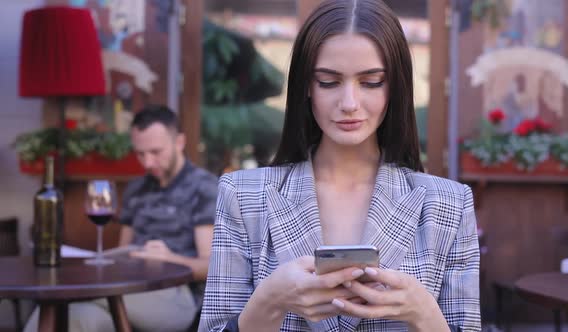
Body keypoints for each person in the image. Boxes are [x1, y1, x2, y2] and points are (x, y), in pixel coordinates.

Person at [198, 0, 480, 331]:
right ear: (306, 85)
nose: (349, 104)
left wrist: (424, 313)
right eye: (329, 81)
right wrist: (270, 299)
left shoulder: (449, 203)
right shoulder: (243, 195)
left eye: (371, 81)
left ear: (395, 87)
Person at [24, 105, 218, 332]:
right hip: (130, 287)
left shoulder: (204, 187)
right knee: (75, 317)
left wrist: (171, 259)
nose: (147, 163)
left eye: (156, 152)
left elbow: (211, 267)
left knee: (60, 297)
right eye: (140, 154)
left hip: (177, 295)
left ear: (180, 143)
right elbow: (122, 252)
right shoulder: (136, 188)